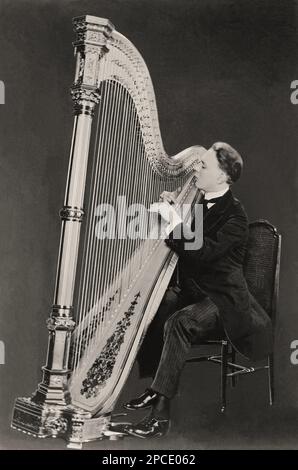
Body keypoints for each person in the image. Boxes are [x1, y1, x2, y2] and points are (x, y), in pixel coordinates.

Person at [123, 142, 273, 439]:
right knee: (156, 303)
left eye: (203, 166)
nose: (196, 170)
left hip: (224, 299)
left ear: (223, 177)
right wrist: (175, 209)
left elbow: (200, 251)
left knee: (179, 322)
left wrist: (174, 220)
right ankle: (156, 387)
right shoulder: (201, 202)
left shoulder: (235, 217)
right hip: (196, 290)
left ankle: (161, 415)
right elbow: (192, 232)